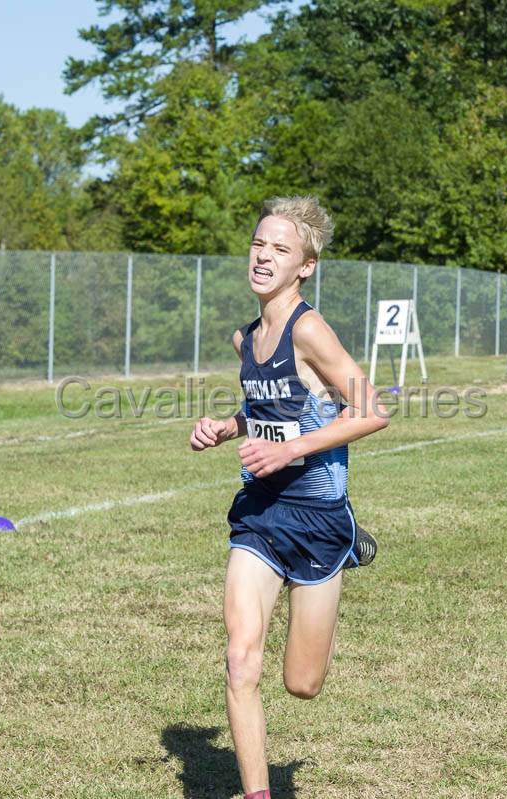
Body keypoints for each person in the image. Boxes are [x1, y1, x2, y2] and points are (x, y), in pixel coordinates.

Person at [188, 196, 388, 799]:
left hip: (318, 516)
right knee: (240, 659)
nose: (263, 256)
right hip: (260, 511)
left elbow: (371, 410)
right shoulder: (244, 338)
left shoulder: (308, 328)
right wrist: (230, 426)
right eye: (258, 243)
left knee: (302, 683)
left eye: (280, 248)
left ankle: (351, 543)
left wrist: (290, 446)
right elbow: (265, 411)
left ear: (305, 266)